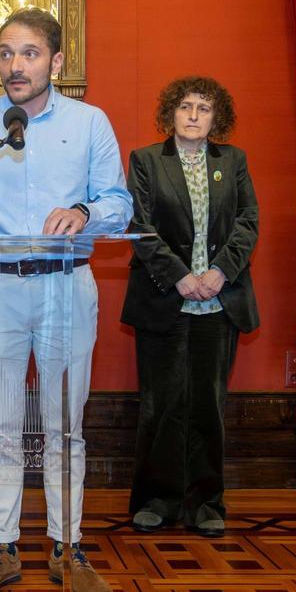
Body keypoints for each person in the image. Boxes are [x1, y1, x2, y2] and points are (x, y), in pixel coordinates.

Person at [0, 8, 131, 592]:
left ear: (57, 61)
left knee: (64, 427)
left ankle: (68, 546)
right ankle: (1, 548)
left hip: (66, 284)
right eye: (5, 53)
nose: (14, 66)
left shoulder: (90, 122)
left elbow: (117, 201)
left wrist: (87, 214)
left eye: (29, 53)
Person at [120, 77, 259, 539]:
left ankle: (205, 503)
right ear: (170, 113)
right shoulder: (145, 161)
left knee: (207, 404)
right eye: (186, 107)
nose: (195, 115)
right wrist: (180, 276)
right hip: (164, 298)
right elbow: (139, 226)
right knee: (161, 405)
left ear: (217, 117)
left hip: (219, 301)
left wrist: (220, 273)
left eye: (204, 108)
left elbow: (247, 223)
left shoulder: (233, 161)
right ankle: (156, 501)